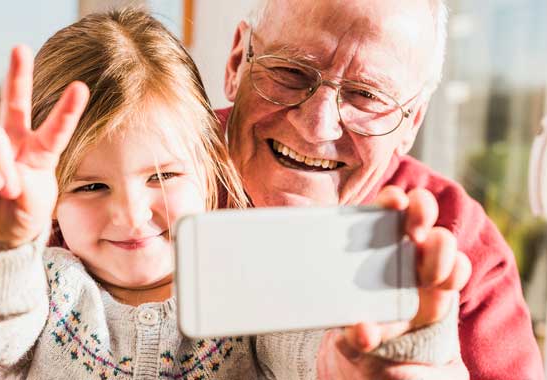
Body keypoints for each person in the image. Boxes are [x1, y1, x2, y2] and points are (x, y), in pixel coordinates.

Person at [0, 9, 458, 380]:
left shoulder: (248, 283)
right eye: (89, 186)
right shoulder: (41, 291)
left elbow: (319, 354)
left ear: (211, 166)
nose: (131, 214)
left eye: (162, 177)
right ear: (54, 201)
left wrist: (397, 335)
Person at [219, 0, 543, 378]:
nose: (317, 126)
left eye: (366, 95)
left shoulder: (459, 245)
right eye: (291, 70)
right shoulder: (149, 172)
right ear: (237, 61)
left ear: (413, 123)